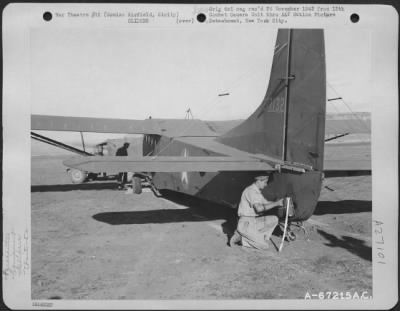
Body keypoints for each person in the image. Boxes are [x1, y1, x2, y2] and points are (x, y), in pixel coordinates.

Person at [229, 175, 284, 250]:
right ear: (258, 181)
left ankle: (256, 237)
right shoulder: (251, 191)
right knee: (264, 246)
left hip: (253, 221)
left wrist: (279, 202)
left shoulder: (257, 192)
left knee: (274, 219)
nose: (266, 185)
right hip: (245, 223)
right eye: (265, 182)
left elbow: (266, 203)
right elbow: (259, 209)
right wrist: (276, 203)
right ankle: (241, 238)